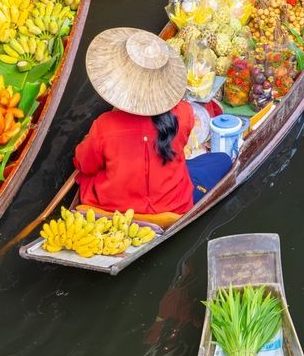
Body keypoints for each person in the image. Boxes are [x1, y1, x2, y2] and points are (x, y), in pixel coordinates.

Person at [74, 27, 232, 216]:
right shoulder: (184, 113)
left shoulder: (104, 126)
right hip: (173, 206)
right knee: (222, 159)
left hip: (115, 209)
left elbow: (84, 165)